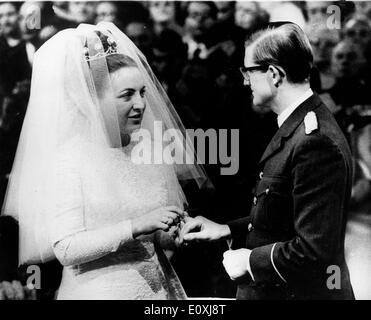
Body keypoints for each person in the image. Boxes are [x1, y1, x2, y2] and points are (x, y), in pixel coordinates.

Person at [2, 22, 208, 300]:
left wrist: (171, 234)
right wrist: (135, 226)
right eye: (126, 95)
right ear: (92, 99)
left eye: (143, 92)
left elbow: (154, 233)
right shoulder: (70, 159)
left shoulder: (147, 148)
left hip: (160, 290)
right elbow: (66, 248)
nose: (140, 104)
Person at [180, 22, 355, 300]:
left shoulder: (314, 141)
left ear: (273, 74)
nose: (244, 81)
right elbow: (284, 214)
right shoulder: (300, 126)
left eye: (248, 71)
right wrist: (227, 229)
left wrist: (249, 261)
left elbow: (314, 251)